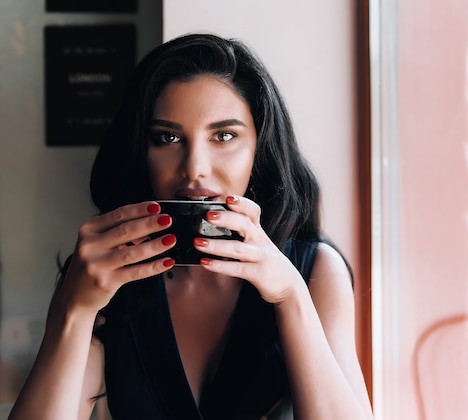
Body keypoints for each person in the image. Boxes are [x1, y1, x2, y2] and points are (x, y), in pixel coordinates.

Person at [8, 33, 373, 419]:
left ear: (259, 149)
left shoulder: (314, 270)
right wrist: (72, 312)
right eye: (167, 137)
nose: (194, 166)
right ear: (140, 150)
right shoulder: (109, 275)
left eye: (224, 136)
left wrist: (291, 298)